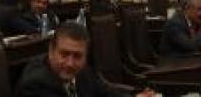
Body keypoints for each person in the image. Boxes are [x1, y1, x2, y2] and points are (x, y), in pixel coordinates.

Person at [16, 22, 153, 97]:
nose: (70, 63)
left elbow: (105, 92)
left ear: (86, 55)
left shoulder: (82, 70)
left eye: (77, 56)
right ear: (51, 51)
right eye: (64, 54)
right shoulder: (35, 84)